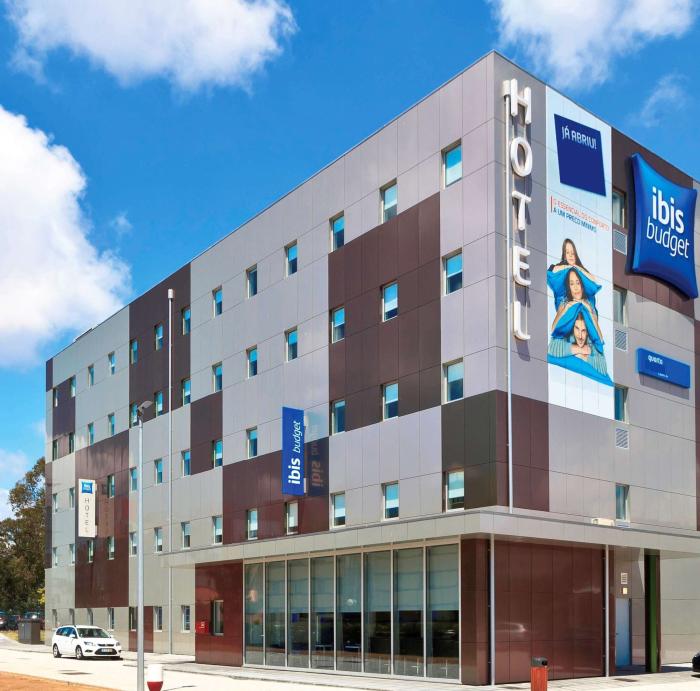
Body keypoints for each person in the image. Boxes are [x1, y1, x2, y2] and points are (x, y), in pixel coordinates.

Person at [548, 313, 612, 385]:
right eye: (577, 328)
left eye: (583, 330)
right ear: (573, 328)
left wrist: (582, 356)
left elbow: (603, 368)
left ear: (587, 332)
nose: (580, 336)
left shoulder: (592, 340)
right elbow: (552, 348)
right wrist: (580, 350)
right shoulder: (567, 333)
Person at [547, 239, 601, 311]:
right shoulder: (560, 267)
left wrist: (578, 268)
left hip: (582, 307)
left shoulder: (580, 269)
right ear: (564, 255)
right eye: (567, 252)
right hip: (566, 306)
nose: (570, 255)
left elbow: (594, 281)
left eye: (572, 253)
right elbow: (551, 272)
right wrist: (569, 267)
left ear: (576, 254)